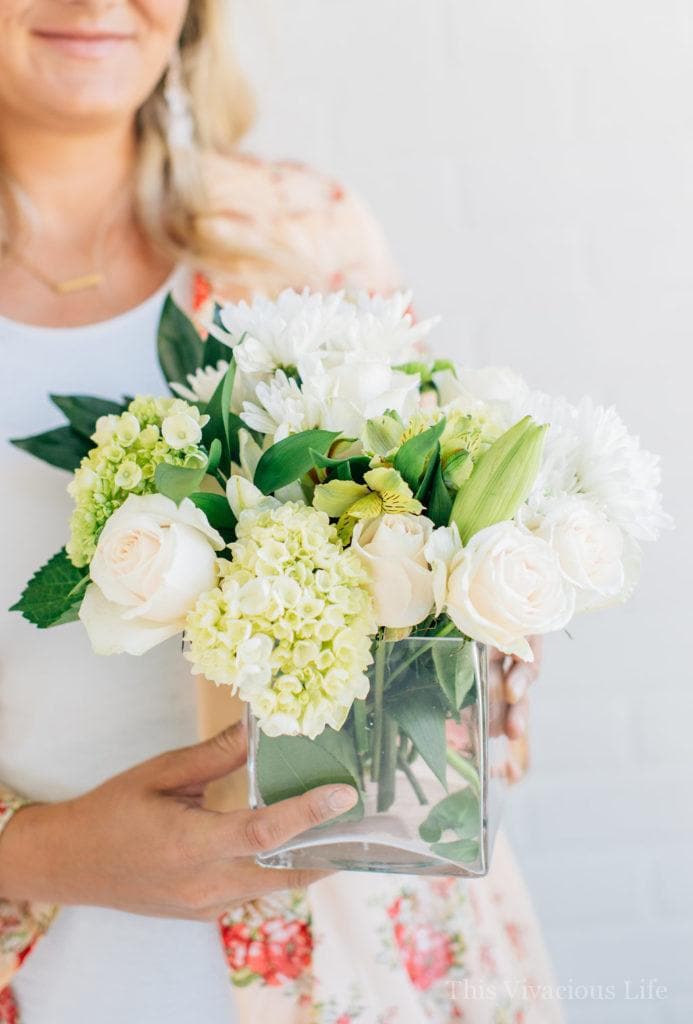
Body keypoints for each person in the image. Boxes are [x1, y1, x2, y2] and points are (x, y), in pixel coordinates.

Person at [0, 3, 560, 1023]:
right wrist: (40, 852)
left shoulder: (306, 238)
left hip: (372, 959)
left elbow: (443, 596)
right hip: (64, 975)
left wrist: (491, 611)